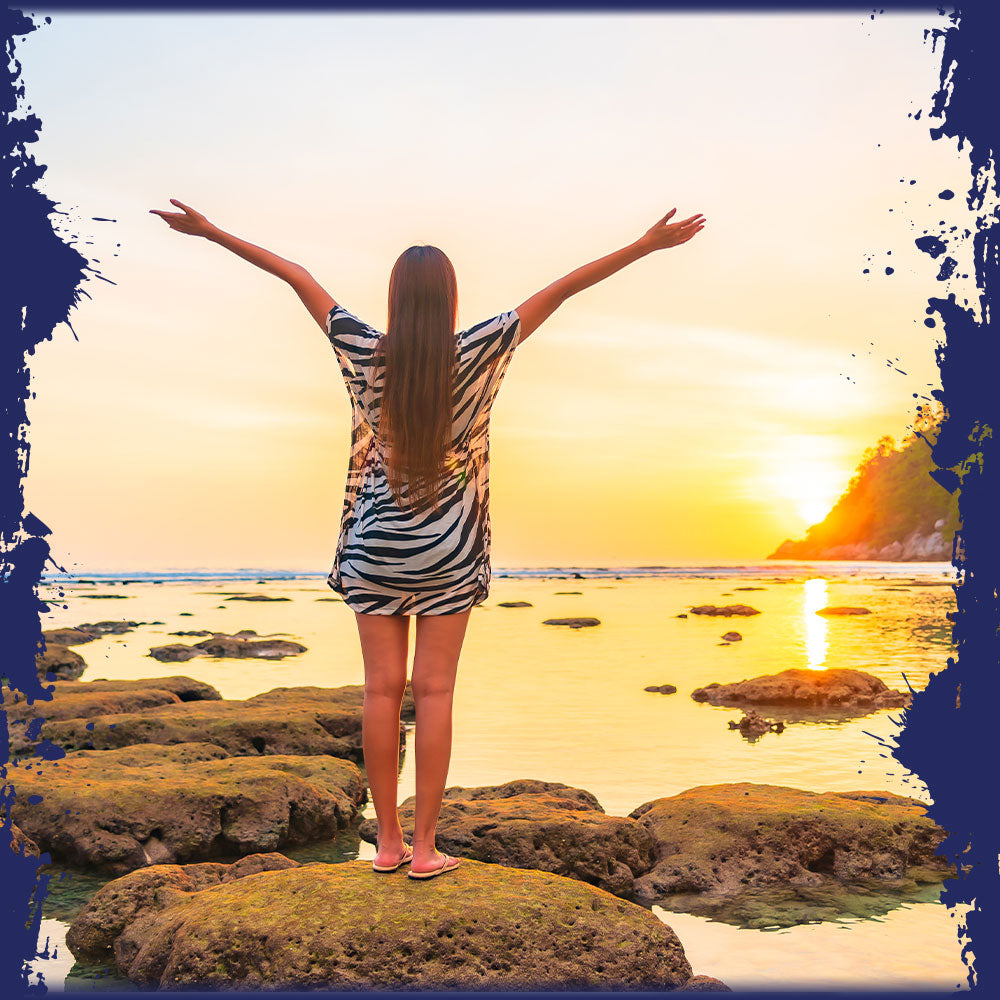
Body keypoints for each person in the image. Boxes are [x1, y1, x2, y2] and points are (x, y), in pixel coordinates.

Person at [149, 198, 706, 879]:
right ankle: (424, 850)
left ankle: (384, 844)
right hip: (449, 545)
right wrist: (645, 245)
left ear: (393, 299)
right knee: (435, 693)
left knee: (381, 693)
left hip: (375, 543)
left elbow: (294, 273)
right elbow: (563, 287)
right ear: (449, 300)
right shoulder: (480, 347)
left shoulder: (361, 348)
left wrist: (209, 232)